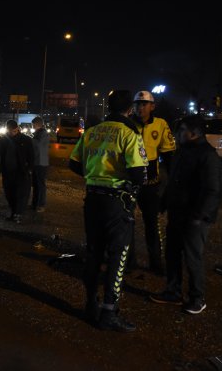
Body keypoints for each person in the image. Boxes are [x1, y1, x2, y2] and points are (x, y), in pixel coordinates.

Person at [69, 90, 148, 332]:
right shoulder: (129, 133)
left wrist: (95, 177)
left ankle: (90, 304)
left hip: (92, 200)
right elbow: (139, 175)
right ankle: (109, 313)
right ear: (129, 110)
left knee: (93, 253)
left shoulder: (92, 132)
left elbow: (73, 163)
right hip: (117, 203)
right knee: (117, 256)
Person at [149, 115, 222, 315]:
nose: (177, 134)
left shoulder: (208, 155)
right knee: (172, 254)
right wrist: (164, 202)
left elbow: (212, 190)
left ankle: (197, 298)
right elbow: (174, 182)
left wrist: (199, 216)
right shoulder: (182, 152)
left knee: (192, 258)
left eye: (181, 130)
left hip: (194, 218)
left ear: (193, 133)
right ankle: (172, 291)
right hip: (177, 213)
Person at [127, 90, 176, 274]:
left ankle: (156, 263)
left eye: (144, 104)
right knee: (127, 223)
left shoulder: (161, 125)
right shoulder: (127, 124)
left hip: (151, 185)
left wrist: (172, 183)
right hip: (130, 183)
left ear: (152, 106)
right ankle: (128, 261)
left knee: (152, 225)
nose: (140, 107)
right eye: (137, 104)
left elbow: (169, 155)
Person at [0, 120, 34, 222]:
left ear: (17, 129)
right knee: (9, 193)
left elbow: (31, 156)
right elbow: (2, 155)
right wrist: (1, 167)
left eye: (14, 131)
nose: (12, 133)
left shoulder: (26, 140)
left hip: (21, 172)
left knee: (21, 194)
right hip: (8, 172)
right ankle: (14, 212)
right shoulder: (4, 140)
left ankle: (18, 214)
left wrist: (29, 169)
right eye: (10, 131)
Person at [31, 116, 49, 212]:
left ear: (37, 124)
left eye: (33, 124)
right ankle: (35, 203)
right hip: (38, 162)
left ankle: (41, 204)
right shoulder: (39, 133)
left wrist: (29, 139)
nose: (32, 126)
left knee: (40, 185)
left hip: (41, 163)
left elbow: (37, 145)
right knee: (36, 184)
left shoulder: (43, 133)